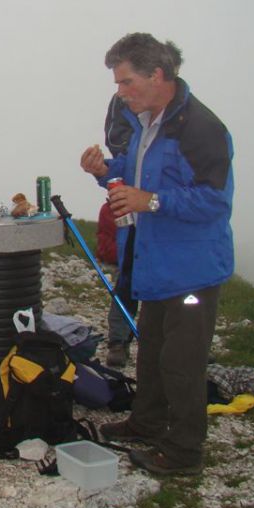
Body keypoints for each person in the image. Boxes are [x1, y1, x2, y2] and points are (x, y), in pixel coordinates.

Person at [80, 33, 234, 476]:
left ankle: (184, 453)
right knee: (151, 351)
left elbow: (214, 201)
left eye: (127, 82)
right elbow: (134, 172)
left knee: (182, 364)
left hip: (193, 271)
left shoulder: (201, 129)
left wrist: (152, 201)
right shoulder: (150, 120)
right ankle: (146, 422)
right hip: (156, 265)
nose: (121, 93)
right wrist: (105, 170)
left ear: (158, 74)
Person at [101, 93, 139, 368]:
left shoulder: (183, 116)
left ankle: (183, 345)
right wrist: (103, 169)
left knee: (170, 285)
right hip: (131, 205)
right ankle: (118, 340)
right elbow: (117, 144)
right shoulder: (124, 100)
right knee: (127, 275)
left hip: (162, 214)